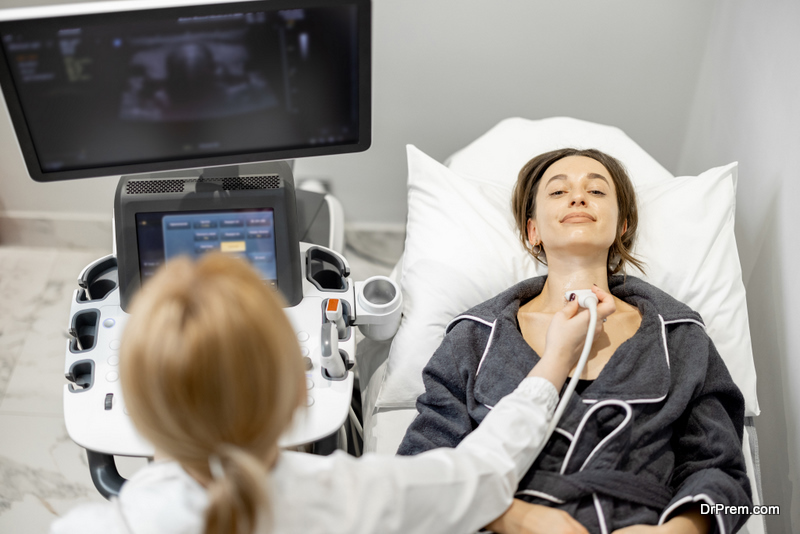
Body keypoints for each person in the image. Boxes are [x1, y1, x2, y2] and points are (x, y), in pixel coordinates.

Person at [50, 252, 615, 534]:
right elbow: (487, 473)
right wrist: (556, 360)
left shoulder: (85, 528)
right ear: (300, 394)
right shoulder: (354, 496)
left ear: (138, 409)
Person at [397, 148, 752, 534]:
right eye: (557, 192)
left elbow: (724, 473)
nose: (579, 197)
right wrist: (514, 518)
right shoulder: (474, 339)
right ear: (532, 230)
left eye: (597, 192)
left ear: (623, 227)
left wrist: (677, 531)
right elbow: (420, 471)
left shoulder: (679, 335)